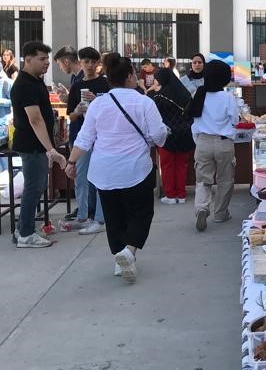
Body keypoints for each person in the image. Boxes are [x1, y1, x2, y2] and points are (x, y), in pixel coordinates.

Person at [65, 54, 166, 282]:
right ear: (130, 76)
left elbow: (84, 139)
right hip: (136, 169)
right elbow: (158, 135)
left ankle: (120, 261)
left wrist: (71, 162)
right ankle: (129, 252)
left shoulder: (98, 104)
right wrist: (153, 139)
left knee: (113, 217)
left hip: (104, 171)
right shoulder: (144, 102)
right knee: (141, 213)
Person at [10, 42, 67, 247]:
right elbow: (35, 119)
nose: (46, 63)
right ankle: (25, 234)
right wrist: (51, 150)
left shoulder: (36, 81)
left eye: (47, 59)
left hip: (38, 145)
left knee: (37, 186)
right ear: (27, 59)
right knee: (34, 187)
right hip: (31, 145)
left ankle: (23, 229)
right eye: (42, 59)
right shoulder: (25, 84)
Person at [187, 60, 240, 231]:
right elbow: (235, 120)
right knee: (225, 180)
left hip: (203, 142)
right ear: (225, 79)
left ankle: (202, 208)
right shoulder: (228, 97)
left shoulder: (198, 94)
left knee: (203, 180)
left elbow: (193, 119)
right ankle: (220, 213)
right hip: (224, 143)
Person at [64, 47, 111, 235]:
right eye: (86, 62)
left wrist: (97, 98)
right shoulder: (76, 86)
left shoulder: (105, 84)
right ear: (80, 63)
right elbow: (70, 115)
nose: (90, 65)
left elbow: (113, 108)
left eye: (93, 62)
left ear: (98, 63)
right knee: (81, 178)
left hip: (101, 137)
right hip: (82, 137)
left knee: (99, 179)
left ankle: (99, 218)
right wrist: (77, 111)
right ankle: (82, 216)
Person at [147, 68, 194, 204]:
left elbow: (154, 117)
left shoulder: (159, 96)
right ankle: (181, 194)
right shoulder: (186, 94)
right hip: (185, 135)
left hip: (167, 136)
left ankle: (171, 195)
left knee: (167, 166)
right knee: (182, 165)